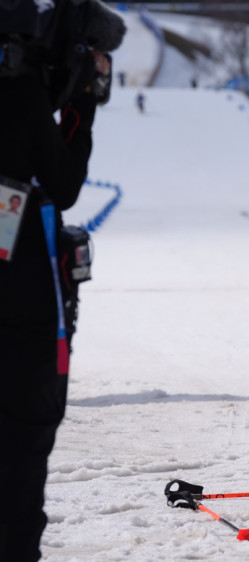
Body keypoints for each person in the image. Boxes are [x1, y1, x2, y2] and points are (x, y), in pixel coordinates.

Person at [0, 1, 124, 559]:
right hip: (20, 301)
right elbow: (65, 180)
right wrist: (81, 102)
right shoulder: (20, 91)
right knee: (22, 440)